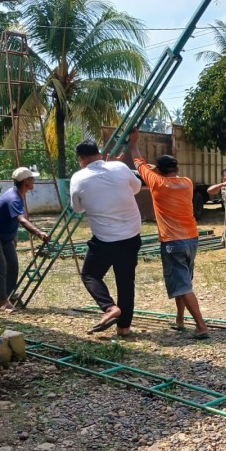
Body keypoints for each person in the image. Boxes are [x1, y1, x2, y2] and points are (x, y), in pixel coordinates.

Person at [129, 130, 209, 338]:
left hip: (173, 242)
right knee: (184, 282)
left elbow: (137, 160)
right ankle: (180, 320)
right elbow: (153, 170)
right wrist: (157, 169)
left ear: (159, 171)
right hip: (192, 239)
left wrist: (134, 143)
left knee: (182, 285)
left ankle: (201, 326)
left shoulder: (157, 183)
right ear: (177, 169)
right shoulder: (187, 183)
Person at [70, 138, 143, 336]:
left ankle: (110, 308)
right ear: (99, 153)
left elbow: (77, 209)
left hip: (104, 239)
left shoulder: (78, 178)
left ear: (81, 158)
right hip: (131, 235)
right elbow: (136, 188)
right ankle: (124, 328)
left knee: (90, 275)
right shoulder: (119, 167)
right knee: (126, 281)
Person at [0, 167, 50, 312]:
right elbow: (22, 220)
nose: (34, 181)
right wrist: (38, 232)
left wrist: (13, 236)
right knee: (1, 267)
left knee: (13, 265)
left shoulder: (18, 194)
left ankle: (8, 294)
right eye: (32, 179)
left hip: (5, 236)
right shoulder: (13, 198)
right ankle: (2, 303)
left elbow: (12, 219)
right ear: (26, 182)